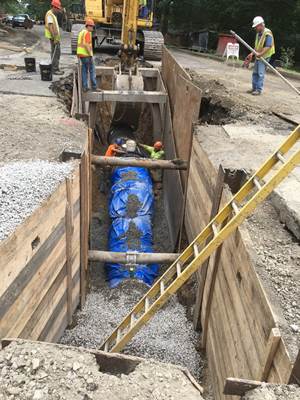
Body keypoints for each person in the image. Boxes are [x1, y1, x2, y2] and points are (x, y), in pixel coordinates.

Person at [246, 16, 275, 95]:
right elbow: (257, 45)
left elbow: (268, 46)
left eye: (256, 26)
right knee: (255, 72)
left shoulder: (267, 33)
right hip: (259, 55)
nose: (255, 28)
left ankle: (258, 90)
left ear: (261, 25)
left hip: (265, 56)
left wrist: (260, 54)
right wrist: (252, 53)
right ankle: (254, 88)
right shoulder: (258, 34)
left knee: (260, 73)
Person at [77, 18, 97, 92]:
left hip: (81, 55)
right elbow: (86, 44)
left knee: (84, 70)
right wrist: (90, 54)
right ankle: (94, 86)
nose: (92, 28)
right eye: (92, 26)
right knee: (92, 70)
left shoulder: (81, 32)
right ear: (88, 26)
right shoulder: (87, 33)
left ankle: (85, 87)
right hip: (86, 55)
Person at [45, 0, 63, 75]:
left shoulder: (52, 14)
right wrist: (55, 38)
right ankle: (54, 69)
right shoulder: (49, 14)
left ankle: (56, 68)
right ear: (53, 7)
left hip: (55, 37)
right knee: (56, 53)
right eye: (57, 8)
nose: (58, 10)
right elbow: (50, 27)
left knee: (57, 53)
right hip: (53, 38)